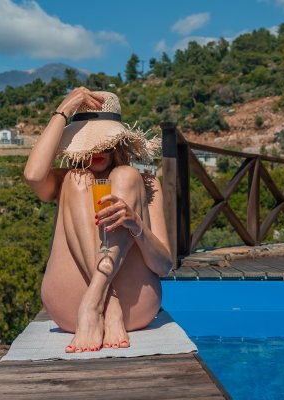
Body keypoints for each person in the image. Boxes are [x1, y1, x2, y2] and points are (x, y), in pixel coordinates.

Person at [24, 87, 172, 353]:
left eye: (103, 141)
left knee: (127, 176)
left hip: (134, 307)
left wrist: (136, 225)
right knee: (77, 178)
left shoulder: (147, 183)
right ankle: (105, 302)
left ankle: (96, 299)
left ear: (118, 142)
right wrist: (64, 110)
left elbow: (163, 266)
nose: (97, 150)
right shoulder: (63, 179)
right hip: (72, 306)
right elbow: (33, 175)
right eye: (88, 142)